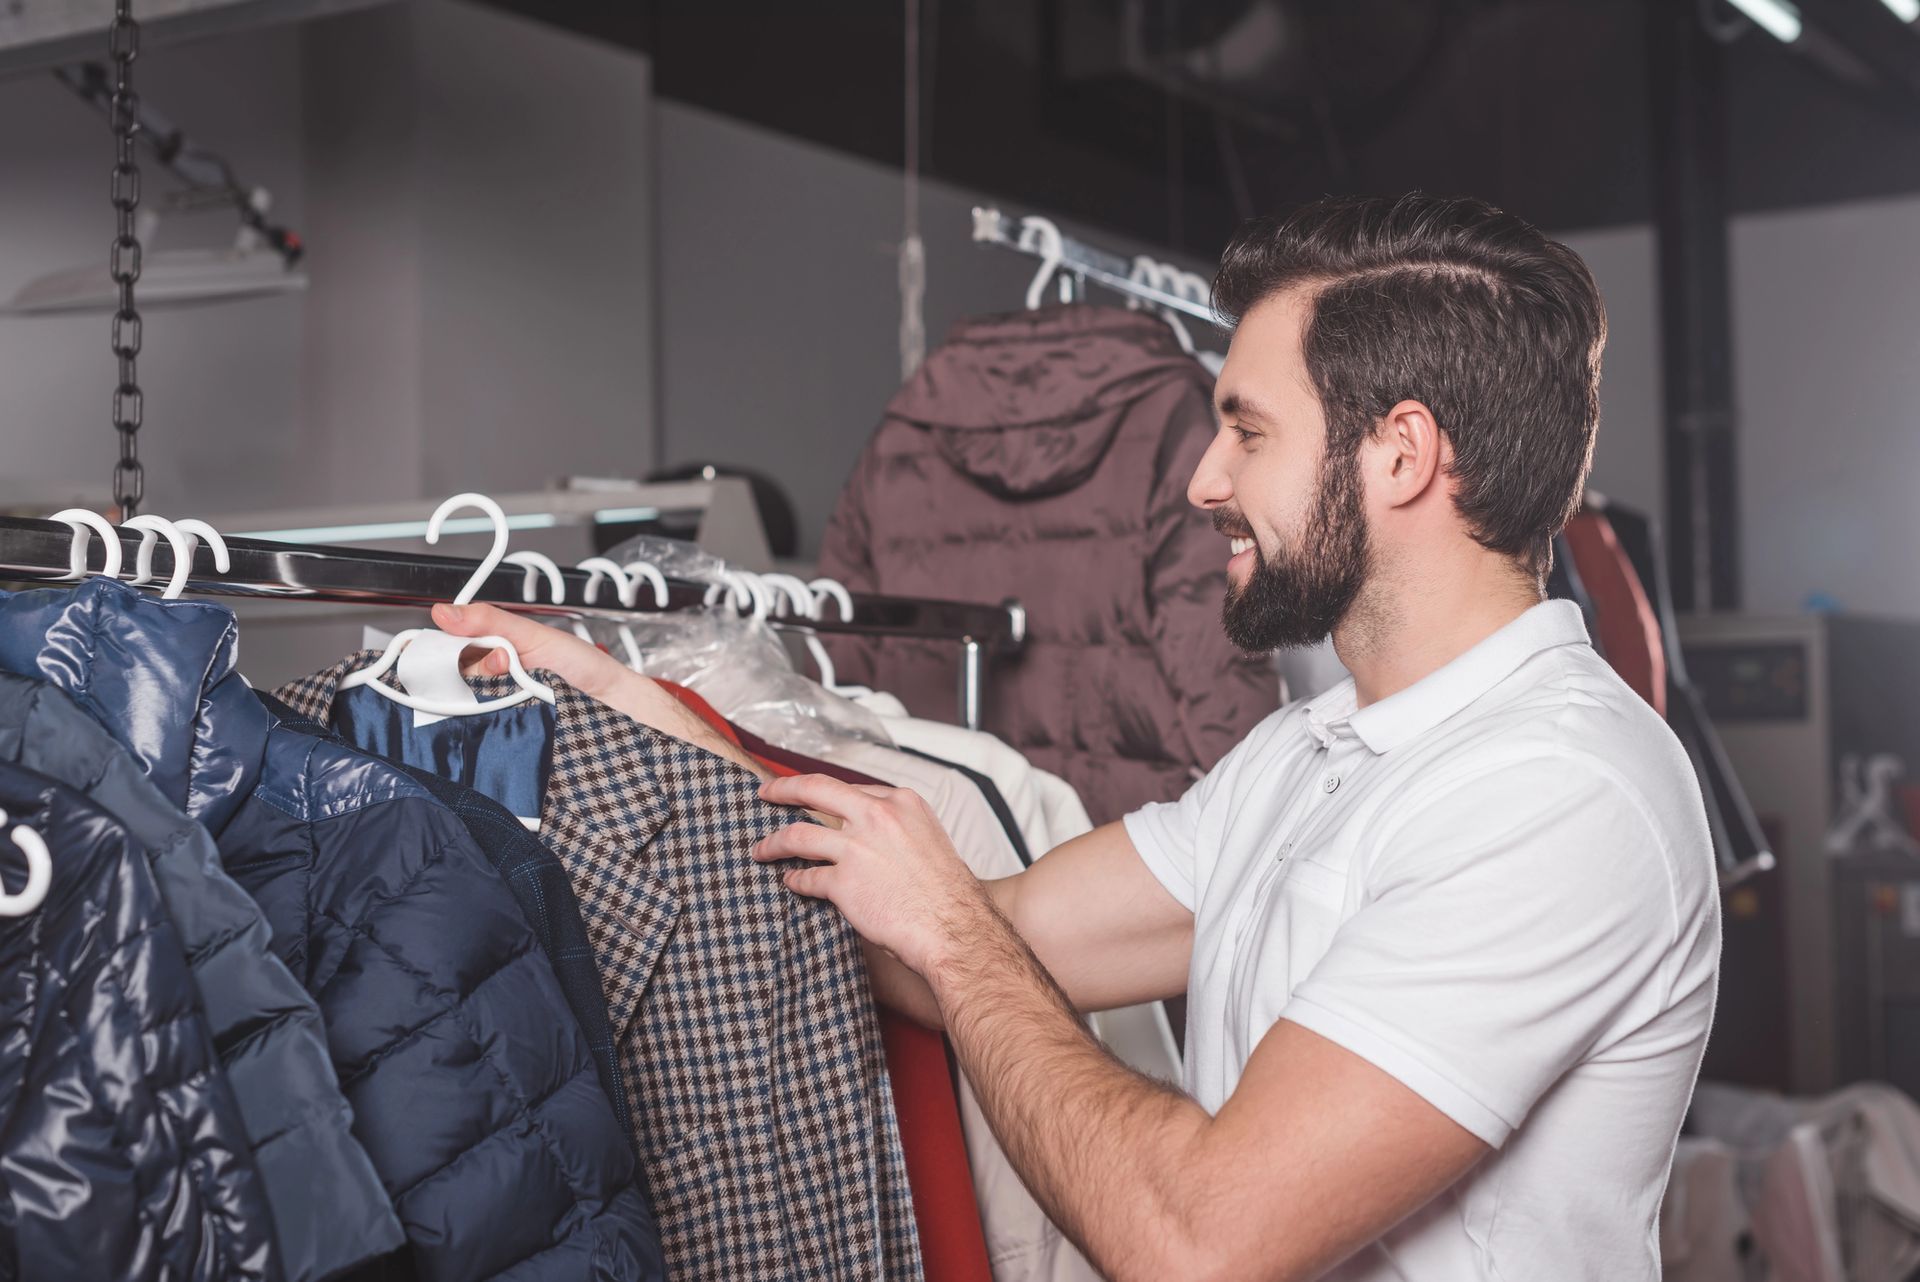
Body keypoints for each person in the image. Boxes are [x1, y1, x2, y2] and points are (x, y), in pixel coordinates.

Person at [437, 193, 1719, 1281]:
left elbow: (1196, 1238)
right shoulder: (1312, 754)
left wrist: (947, 926)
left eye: (1249, 431)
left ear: (1399, 455)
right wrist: (650, 718)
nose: (1203, 480)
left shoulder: (1560, 787)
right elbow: (978, 935)